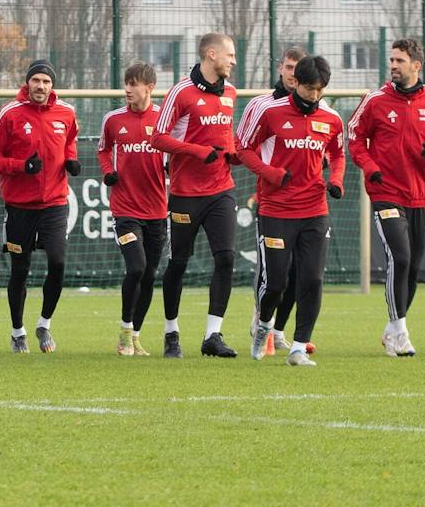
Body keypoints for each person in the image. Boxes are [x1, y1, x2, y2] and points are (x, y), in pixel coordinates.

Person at [346, 38, 425, 358]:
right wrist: (371, 168)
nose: (394, 65)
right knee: (399, 257)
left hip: (420, 196)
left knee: (412, 267)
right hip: (385, 192)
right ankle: (401, 333)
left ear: (417, 65)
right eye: (392, 60)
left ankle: (391, 327)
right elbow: (354, 137)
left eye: (400, 60)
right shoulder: (375, 100)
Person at [237, 54, 344, 367]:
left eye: (320, 90)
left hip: (314, 209)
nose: (314, 95)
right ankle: (264, 325)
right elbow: (242, 148)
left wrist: (335, 180)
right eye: (309, 88)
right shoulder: (270, 113)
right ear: (295, 82)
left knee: (311, 279)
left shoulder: (331, 118)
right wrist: (270, 174)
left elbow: (338, 154)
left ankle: (298, 347)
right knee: (277, 283)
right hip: (276, 209)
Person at [152, 32, 243, 358]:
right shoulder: (181, 92)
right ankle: (171, 332)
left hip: (222, 189)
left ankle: (212, 336)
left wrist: (231, 152)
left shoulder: (231, 92)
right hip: (185, 193)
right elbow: (158, 138)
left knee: (227, 258)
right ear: (210, 54)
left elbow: (225, 134)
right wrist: (195, 151)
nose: (233, 60)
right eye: (229, 55)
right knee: (178, 263)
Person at [0, 60, 79, 353]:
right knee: (20, 270)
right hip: (19, 206)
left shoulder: (66, 113)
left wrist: (71, 159)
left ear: (52, 86)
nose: (41, 86)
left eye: (46, 82)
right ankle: (17, 332)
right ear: (28, 83)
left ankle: (44, 324)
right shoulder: (10, 113)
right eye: (36, 80)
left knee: (58, 263)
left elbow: (70, 142)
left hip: (54, 203)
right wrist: (21, 166)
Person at [239, 46, 307, 359]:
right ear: (280, 68)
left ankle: (278, 331)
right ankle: (261, 319)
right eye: (290, 67)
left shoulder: (314, 105)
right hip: (270, 198)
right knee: (271, 270)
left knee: (298, 272)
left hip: (305, 200)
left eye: (299, 68)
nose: (293, 74)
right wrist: (269, 173)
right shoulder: (260, 105)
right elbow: (241, 146)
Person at [99, 61, 167, 356]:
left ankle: (136, 335)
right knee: (136, 267)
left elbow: (175, 150)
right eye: (126, 83)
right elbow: (103, 150)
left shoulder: (164, 119)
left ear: (149, 88)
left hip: (157, 209)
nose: (127, 89)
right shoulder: (113, 119)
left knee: (150, 274)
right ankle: (125, 332)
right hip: (125, 209)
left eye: (134, 84)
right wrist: (107, 172)